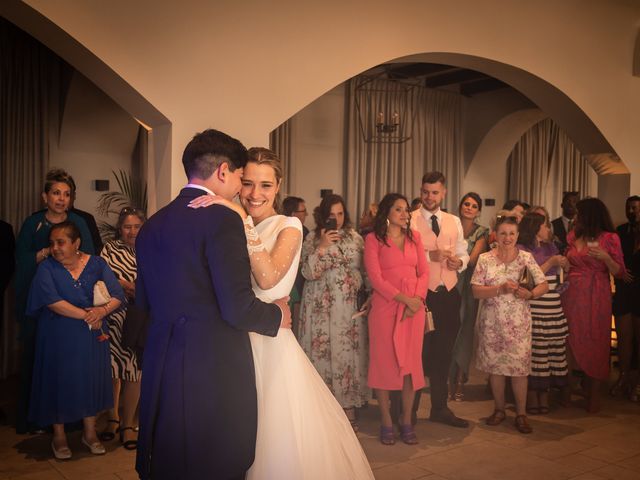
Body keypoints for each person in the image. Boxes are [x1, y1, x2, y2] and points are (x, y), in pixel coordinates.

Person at [189, 147, 374, 478]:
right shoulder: (229, 223)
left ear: (278, 187)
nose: (254, 194)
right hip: (231, 341)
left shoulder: (287, 225)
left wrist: (241, 220)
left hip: (269, 345)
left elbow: (269, 278)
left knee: (270, 437)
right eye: (247, 183)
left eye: (265, 185)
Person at [134, 129, 291, 480]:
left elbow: (142, 305)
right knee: (215, 462)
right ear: (223, 171)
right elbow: (237, 307)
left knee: (170, 460)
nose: (241, 188)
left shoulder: (152, 225)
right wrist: (277, 314)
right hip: (212, 368)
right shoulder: (222, 219)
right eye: (240, 177)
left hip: (162, 362)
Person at [27, 221, 124, 459]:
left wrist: (101, 312)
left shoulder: (97, 263)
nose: (55, 248)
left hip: (91, 335)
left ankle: (89, 432)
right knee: (58, 380)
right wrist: (88, 315)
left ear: (76, 243)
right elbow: (52, 301)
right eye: (52, 243)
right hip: (57, 335)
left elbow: (118, 295)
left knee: (88, 379)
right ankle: (59, 436)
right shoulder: (46, 268)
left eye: (61, 242)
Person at [14, 168, 95, 434]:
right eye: (56, 193)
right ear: (44, 196)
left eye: (67, 194)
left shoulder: (79, 223)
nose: (61, 199)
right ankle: (36, 418)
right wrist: (46, 252)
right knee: (37, 359)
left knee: (69, 363)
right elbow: (20, 261)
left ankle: (70, 419)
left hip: (72, 304)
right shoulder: (32, 223)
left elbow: (89, 259)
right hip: (39, 303)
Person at [471, 215, 548, 434]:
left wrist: (531, 294)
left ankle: (521, 414)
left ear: (517, 235)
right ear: (495, 234)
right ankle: (499, 409)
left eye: (512, 233)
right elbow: (476, 291)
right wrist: (499, 289)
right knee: (496, 369)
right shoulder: (485, 259)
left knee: (519, 371)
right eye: (503, 233)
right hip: (492, 323)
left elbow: (544, 284)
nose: (507, 238)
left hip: (518, 324)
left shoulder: (525, 258)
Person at [299, 193, 369, 430]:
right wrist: (321, 247)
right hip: (318, 307)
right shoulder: (311, 238)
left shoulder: (356, 238)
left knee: (346, 354)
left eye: (340, 214)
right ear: (323, 216)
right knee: (321, 354)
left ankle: (347, 406)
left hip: (347, 308)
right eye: (331, 215)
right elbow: (307, 273)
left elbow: (366, 271)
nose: (336, 220)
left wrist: (369, 296)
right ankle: (322, 407)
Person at [364, 193, 428, 445]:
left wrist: (418, 300)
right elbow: (375, 278)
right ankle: (386, 420)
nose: (405, 214)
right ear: (386, 213)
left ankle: (406, 420)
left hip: (414, 310)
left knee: (410, 366)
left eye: (406, 211)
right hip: (385, 307)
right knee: (383, 363)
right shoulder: (373, 239)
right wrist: (404, 299)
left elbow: (424, 272)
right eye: (399, 209)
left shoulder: (416, 238)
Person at [409, 171, 470, 427]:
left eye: (434, 192)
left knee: (444, 354)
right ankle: (408, 412)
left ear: (444, 193)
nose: (429, 197)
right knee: (418, 355)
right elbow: (404, 254)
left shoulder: (453, 220)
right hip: (421, 296)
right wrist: (427, 256)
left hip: (448, 295)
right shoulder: (409, 219)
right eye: (425, 192)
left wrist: (461, 261)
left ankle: (439, 408)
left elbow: (462, 250)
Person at [562, 198, 625, 413]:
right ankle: (568, 391)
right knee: (569, 339)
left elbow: (620, 272)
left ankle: (594, 394)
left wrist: (607, 258)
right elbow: (567, 261)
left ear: (590, 215)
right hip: (571, 293)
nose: (576, 217)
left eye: (579, 213)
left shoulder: (610, 238)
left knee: (596, 340)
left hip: (596, 294)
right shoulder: (573, 236)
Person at [99, 207, 146, 449]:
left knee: (134, 371)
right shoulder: (109, 249)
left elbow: (158, 280)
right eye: (127, 226)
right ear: (120, 229)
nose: (132, 231)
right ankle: (112, 419)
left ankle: (128, 425)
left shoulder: (152, 247)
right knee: (113, 369)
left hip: (139, 318)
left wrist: (136, 289)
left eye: (137, 226)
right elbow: (103, 276)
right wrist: (128, 285)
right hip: (113, 316)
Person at [517, 213, 570, 414]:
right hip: (535, 309)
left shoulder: (551, 247)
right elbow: (527, 278)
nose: (549, 229)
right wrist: (551, 262)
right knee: (535, 354)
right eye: (546, 226)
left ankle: (545, 396)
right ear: (536, 228)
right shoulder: (522, 250)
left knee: (550, 353)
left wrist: (564, 265)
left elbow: (561, 276)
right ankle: (531, 396)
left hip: (553, 308)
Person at [450, 192, 488, 401]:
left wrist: (455, 259)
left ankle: (459, 380)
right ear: (460, 206)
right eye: (466, 204)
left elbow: (472, 261)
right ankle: (446, 379)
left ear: (478, 211)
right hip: (447, 282)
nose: (469, 208)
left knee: (464, 332)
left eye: (474, 206)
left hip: (467, 287)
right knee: (447, 330)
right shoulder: (450, 225)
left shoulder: (482, 232)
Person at [611, 196, 640, 400]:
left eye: (637, 208)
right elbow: (613, 257)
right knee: (624, 338)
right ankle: (623, 377)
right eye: (630, 208)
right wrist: (619, 272)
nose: (633, 211)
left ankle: (637, 382)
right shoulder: (620, 231)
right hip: (623, 289)